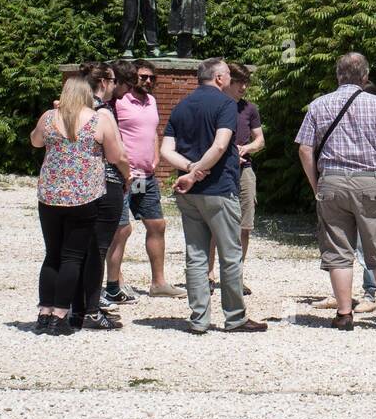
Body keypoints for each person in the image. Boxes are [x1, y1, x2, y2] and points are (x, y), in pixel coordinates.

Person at [295, 51, 376, 331]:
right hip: (371, 180)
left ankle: (344, 313)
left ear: (338, 75)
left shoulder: (318, 105)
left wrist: (316, 184)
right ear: (365, 76)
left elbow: (304, 149)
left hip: (331, 181)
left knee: (337, 248)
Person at [160, 58, 267, 334]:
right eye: (229, 74)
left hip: (189, 193)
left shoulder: (181, 106)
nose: (232, 79)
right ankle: (235, 317)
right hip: (219, 189)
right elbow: (220, 146)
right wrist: (198, 171)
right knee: (230, 254)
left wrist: (188, 170)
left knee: (195, 255)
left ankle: (199, 319)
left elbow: (166, 151)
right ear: (219, 78)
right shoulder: (226, 105)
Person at [29, 73, 129, 336]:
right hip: (84, 196)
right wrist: (128, 176)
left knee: (52, 254)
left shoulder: (49, 117)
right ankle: (60, 315)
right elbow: (115, 155)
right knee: (72, 257)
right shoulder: (98, 120)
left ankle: (44, 313)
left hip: (50, 196)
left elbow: (36, 141)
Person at [104, 61, 181, 300]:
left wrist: (156, 155)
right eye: (143, 77)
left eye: (151, 78)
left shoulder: (153, 101)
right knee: (120, 230)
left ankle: (158, 283)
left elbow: (154, 132)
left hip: (146, 177)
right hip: (122, 175)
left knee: (157, 225)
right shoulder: (118, 102)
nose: (148, 81)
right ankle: (115, 282)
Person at [207, 64, 264, 294]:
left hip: (245, 171)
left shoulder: (250, 109)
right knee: (213, 225)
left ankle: (235, 276)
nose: (243, 86)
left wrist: (245, 149)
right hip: (218, 170)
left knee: (245, 225)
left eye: (246, 82)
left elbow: (260, 140)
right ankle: (209, 274)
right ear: (227, 81)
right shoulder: (214, 106)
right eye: (239, 81)